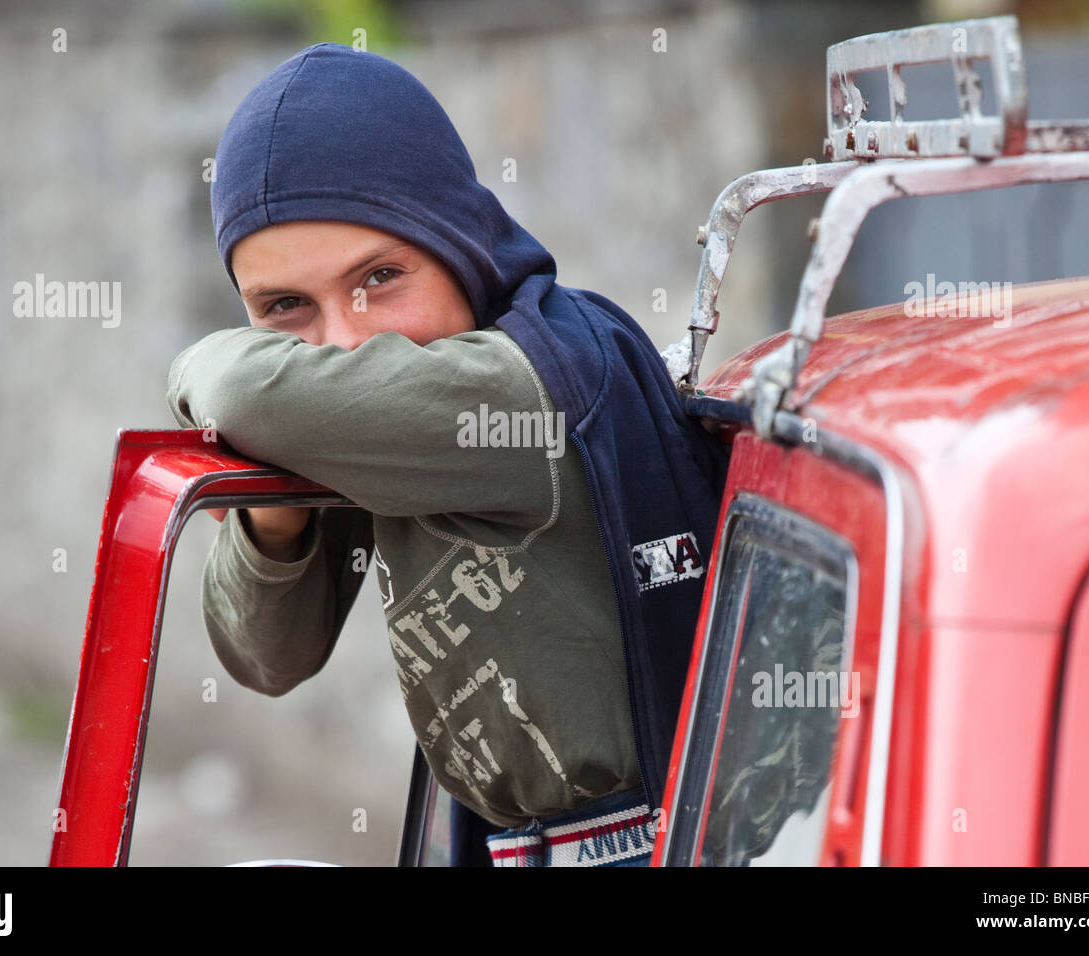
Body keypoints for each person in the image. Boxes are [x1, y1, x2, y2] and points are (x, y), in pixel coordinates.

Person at [165, 41, 729, 867]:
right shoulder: (384, 414)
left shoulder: (515, 386)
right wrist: (277, 521)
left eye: (381, 277)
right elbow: (265, 656)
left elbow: (248, 393)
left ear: (459, 241)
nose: (345, 344)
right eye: (285, 306)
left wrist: (192, 365)